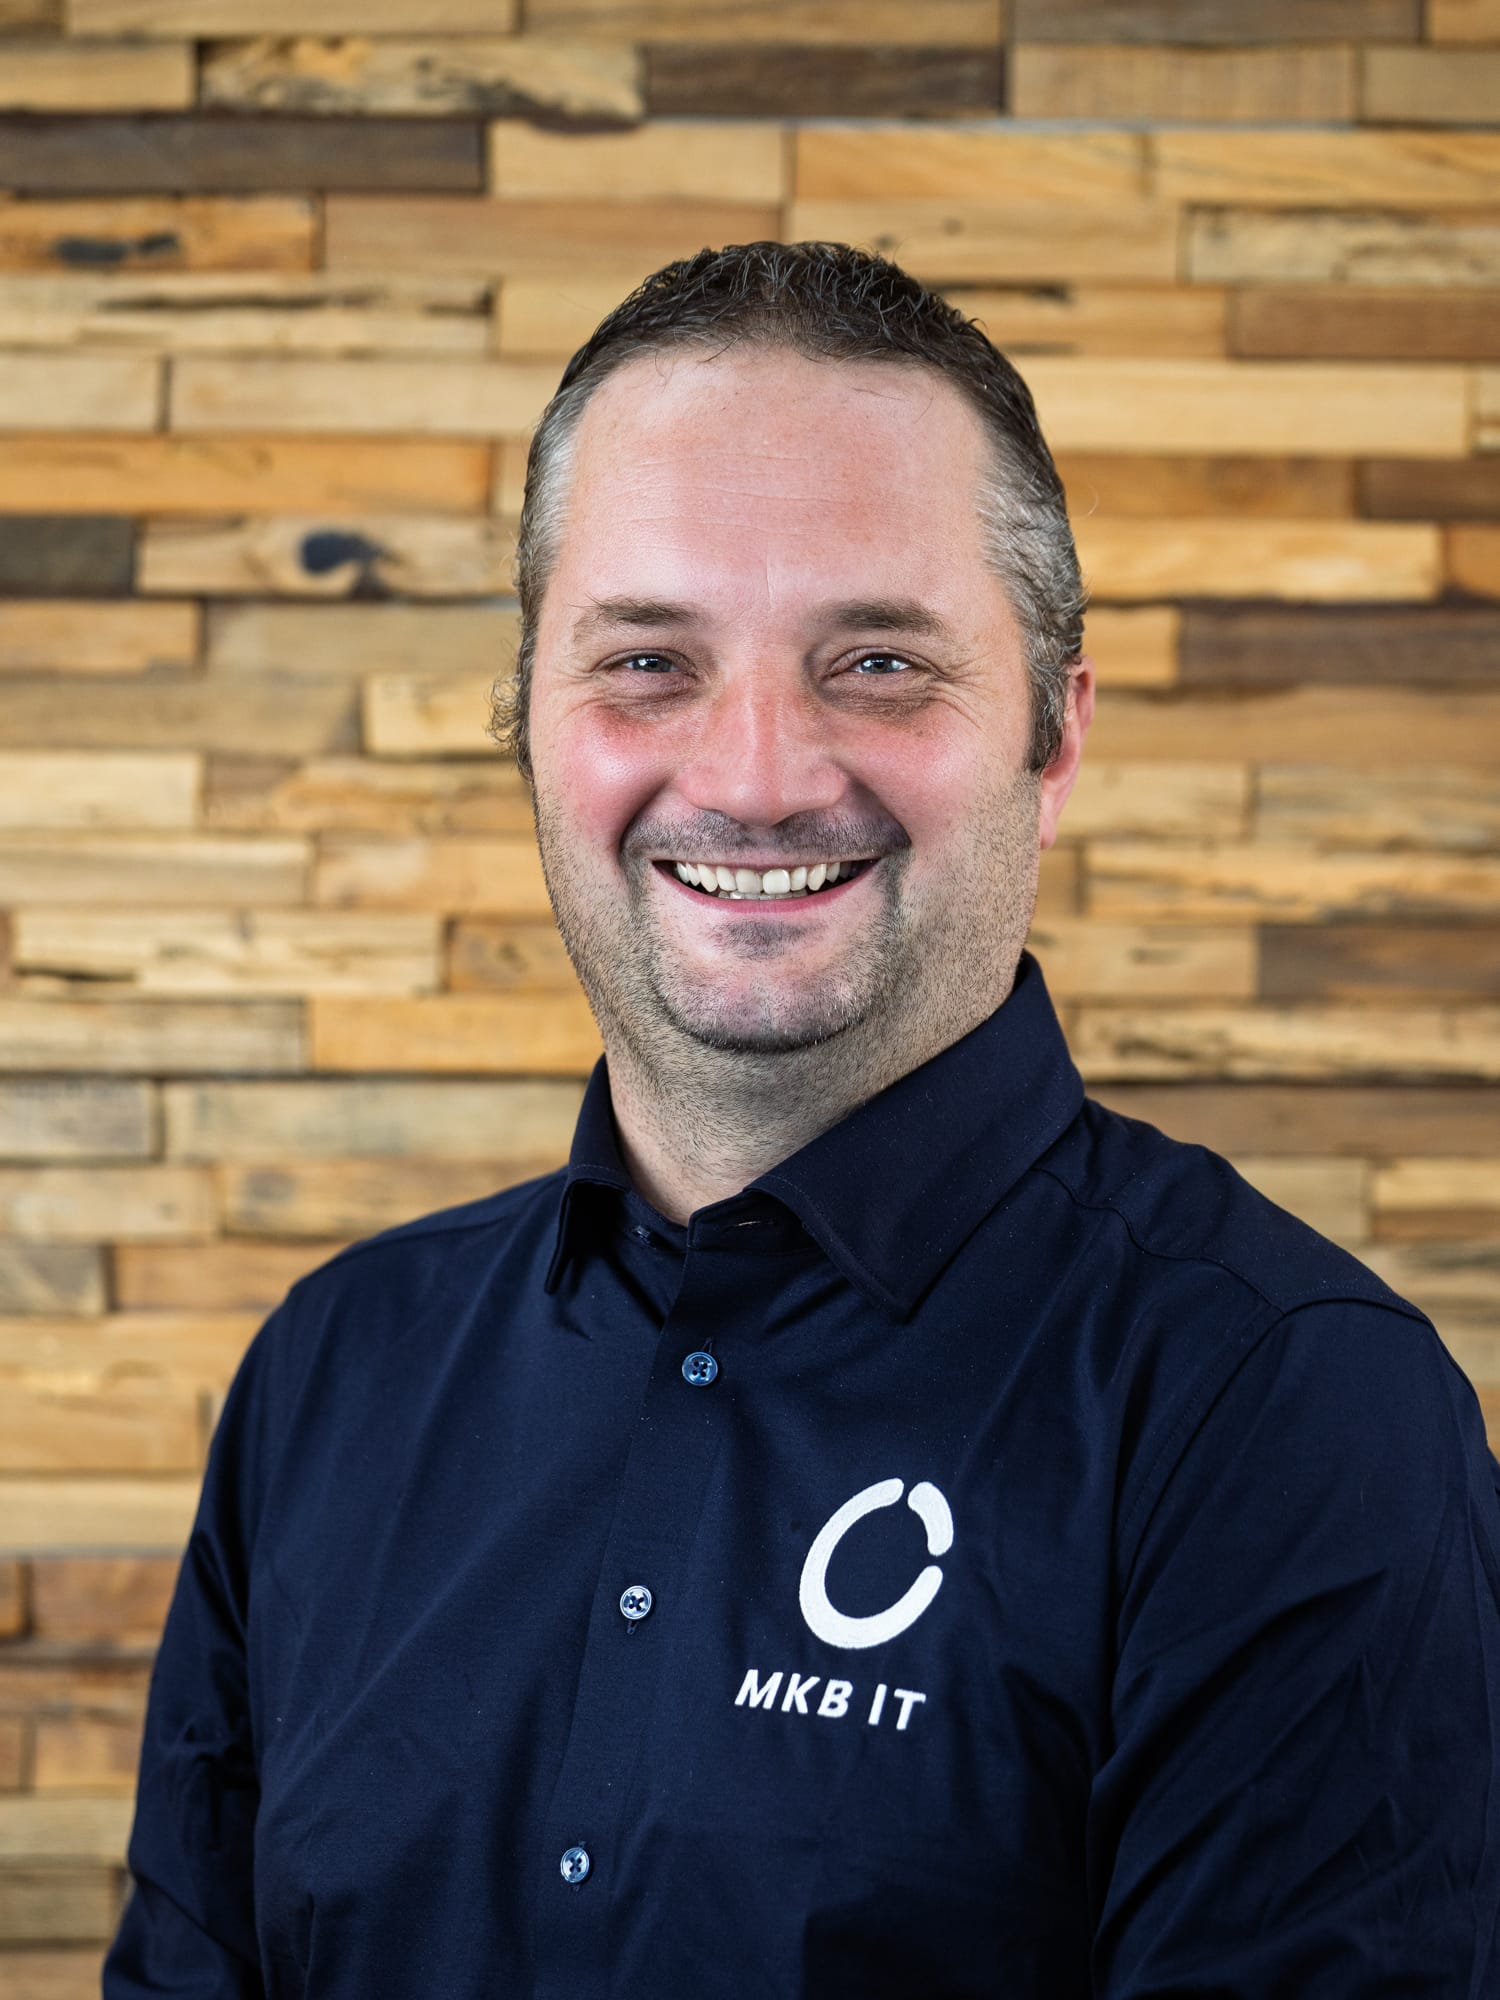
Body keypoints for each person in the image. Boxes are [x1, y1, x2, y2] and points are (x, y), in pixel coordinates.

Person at [104, 241, 1500, 1997]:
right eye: (647, 662)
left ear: (1054, 737)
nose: (756, 776)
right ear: (525, 719)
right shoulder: (332, 1373)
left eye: (879, 663)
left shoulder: (1284, 1410)